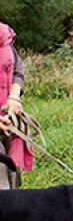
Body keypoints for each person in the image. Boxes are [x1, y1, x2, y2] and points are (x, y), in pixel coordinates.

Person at [0, 22, 30, 189]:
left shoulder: (5, 38)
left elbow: (18, 70)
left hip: (9, 120)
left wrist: (14, 97)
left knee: (13, 178)